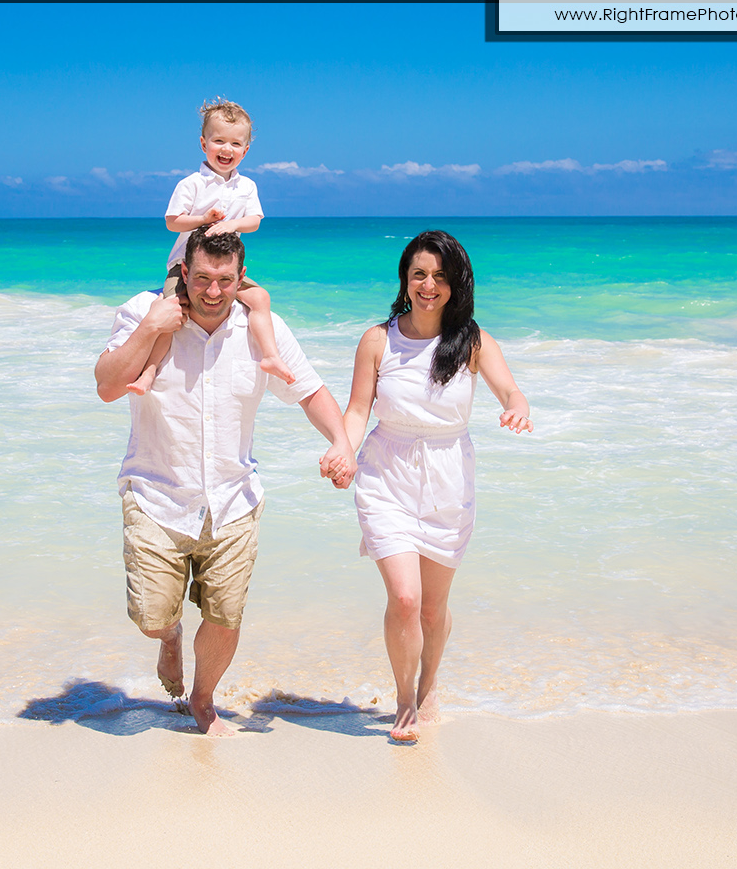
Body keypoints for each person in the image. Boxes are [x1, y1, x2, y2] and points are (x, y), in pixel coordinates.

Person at [95, 227, 356, 736]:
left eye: (224, 280)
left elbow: (310, 392)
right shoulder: (143, 313)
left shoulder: (262, 330)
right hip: (155, 496)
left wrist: (342, 441)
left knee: (225, 615)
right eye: (201, 279)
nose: (212, 292)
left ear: (242, 279)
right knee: (150, 616)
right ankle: (169, 638)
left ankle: (203, 698)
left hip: (234, 501)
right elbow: (107, 385)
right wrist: (150, 327)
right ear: (182, 275)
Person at [341, 230, 532, 742]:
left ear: (456, 283)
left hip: (449, 476)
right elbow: (358, 410)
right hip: (387, 472)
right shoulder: (378, 340)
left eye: (441, 277)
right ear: (405, 278)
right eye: (420, 274)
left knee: (432, 607)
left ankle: (429, 687)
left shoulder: (470, 340)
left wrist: (515, 406)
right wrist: (343, 450)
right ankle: (405, 700)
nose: (429, 285)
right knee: (405, 599)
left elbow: (509, 389)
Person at [126, 98, 294, 396]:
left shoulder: (247, 187)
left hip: (225, 271)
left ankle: (270, 356)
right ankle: (149, 371)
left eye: (235, 143)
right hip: (185, 266)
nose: (226, 149)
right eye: (219, 141)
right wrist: (203, 219)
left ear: (245, 150)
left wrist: (232, 224)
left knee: (260, 298)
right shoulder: (192, 184)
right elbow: (173, 221)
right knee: (172, 310)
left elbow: (254, 221)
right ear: (204, 144)